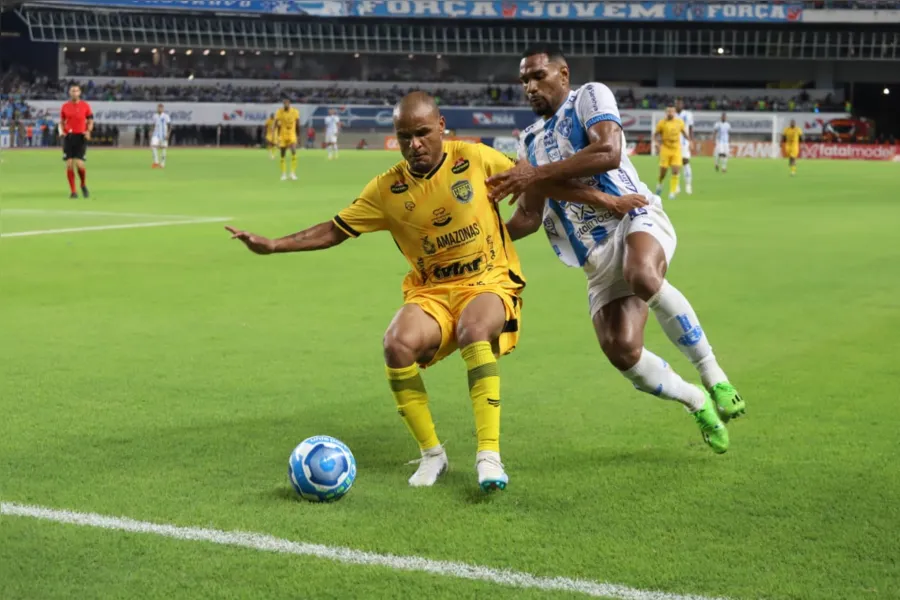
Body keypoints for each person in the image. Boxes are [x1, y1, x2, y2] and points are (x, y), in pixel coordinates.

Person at [226, 92, 525, 491]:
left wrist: (532, 217)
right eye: (404, 137)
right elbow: (335, 229)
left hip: (487, 280)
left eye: (422, 133)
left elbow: (530, 179)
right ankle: (432, 455)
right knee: (396, 344)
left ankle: (489, 456)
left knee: (474, 330)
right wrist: (275, 244)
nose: (414, 145)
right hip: (432, 291)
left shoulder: (476, 158)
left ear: (441, 127)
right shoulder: (387, 189)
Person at [486, 45, 745, 454]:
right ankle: (696, 400)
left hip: (633, 217)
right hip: (594, 257)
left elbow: (608, 152)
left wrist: (534, 174)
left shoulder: (590, 96)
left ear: (563, 74)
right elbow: (530, 217)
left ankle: (715, 376)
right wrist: (483, 235)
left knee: (642, 275)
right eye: (523, 81)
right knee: (623, 352)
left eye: (538, 76)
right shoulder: (529, 140)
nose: (529, 87)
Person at [59, 84, 93, 199]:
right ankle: (73, 191)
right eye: (72, 91)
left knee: (79, 164)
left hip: (81, 137)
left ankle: (83, 184)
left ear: (80, 92)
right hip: (69, 137)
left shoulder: (85, 106)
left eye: (76, 91)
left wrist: (88, 131)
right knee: (69, 164)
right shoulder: (65, 106)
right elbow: (62, 121)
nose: (74, 93)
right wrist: (61, 131)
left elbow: (90, 120)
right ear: (69, 93)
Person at [653, 105, 686, 201]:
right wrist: (657, 144)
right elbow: (655, 135)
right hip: (665, 149)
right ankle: (659, 184)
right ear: (666, 112)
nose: (670, 113)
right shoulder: (662, 123)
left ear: (675, 112)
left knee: (675, 170)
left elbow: (684, 132)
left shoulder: (679, 122)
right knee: (663, 171)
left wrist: (690, 141)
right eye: (668, 111)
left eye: (672, 111)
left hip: (676, 149)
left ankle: (672, 192)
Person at [274, 97, 300, 180]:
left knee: (293, 151)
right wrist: (274, 132)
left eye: (287, 103)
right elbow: (276, 123)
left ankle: (292, 173)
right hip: (282, 135)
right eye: (284, 103)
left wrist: (298, 135)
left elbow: (298, 124)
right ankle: (284, 174)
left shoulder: (295, 111)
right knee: (282, 154)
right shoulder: (279, 111)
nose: (285, 104)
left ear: (289, 103)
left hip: (292, 134)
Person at [674, 98, 694, 195]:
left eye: (680, 104)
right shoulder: (672, 114)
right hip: (674, 143)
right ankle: (676, 186)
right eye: (677, 104)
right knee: (676, 165)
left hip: (685, 143)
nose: (678, 105)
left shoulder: (688, 115)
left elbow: (690, 128)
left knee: (685, 162)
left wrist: (691, 141)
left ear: (682, 105)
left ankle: (688, 185)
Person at [150, 103, 171, 169]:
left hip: (164, 134)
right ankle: (156, 162)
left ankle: (162, 164)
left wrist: (168, 134)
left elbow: (170, 126)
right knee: (153, 145)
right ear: (157, 108)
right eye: (159, 108)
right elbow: (153, 124)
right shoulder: (154, 116)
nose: (160, 109)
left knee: (163, 149)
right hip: (156, 134)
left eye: (161, 108)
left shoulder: (166, 116)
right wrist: (151, 131)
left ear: (163, 109)